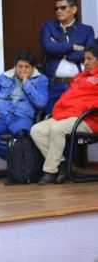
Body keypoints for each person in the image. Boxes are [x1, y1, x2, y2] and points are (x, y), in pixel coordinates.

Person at [31, 46, 98, 185]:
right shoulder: (79, 77)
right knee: (37, 130)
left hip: (88, 119)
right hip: (67, 115)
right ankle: (62, 165)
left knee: (57, 128)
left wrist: (80, 108)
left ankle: (50, 171)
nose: (85, 62)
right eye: (84, 58)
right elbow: (67, 99)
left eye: (89, 58)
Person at [0, 51, 48, 160]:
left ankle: (17, 160)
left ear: (33, 68)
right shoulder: (3, 77)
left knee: (23, 136)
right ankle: (12, 157)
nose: (23, 70)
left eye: (27, 67)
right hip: (1, 117)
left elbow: (41, 103)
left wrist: (26, 83)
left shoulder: (41, 79)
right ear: (15, 66)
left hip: (22, 118)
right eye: (20, 67)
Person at [40, 0, 95, 114]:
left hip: (78, 84)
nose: (59, 11)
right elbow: (48, 47)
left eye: (63, 7)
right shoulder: (48, 26)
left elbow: (89, 55)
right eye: (56, 8)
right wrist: (73, 47)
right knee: (51, 117)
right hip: (54, 83)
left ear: (74, 9)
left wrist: (62, 51)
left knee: (74, 119)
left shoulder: (87, 30)